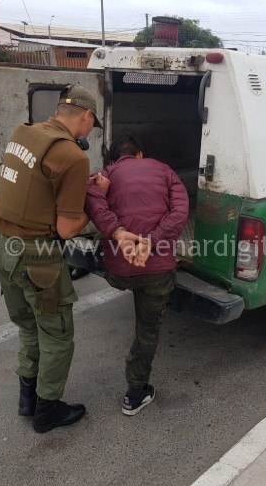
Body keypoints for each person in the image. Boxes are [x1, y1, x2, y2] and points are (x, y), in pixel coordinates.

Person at [0, 85, 102, 433]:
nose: (90, 133)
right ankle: (47, 411)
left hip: (1, 245)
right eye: (91, 125)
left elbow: (35, 187)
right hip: (36, 257)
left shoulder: (24, 133)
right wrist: (95, 201)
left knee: (28, 327)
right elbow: (67, 230)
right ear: (85, 116)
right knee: (57, 335)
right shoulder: (72, 157)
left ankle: (28, 400)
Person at [85, 135, 189, 416]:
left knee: (129, 281)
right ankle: (135, 394)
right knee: (148, 330)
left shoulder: (103, 176)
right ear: (141, 154)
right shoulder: (165, 170)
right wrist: (151, 241)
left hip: (119, 271)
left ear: (116, 159)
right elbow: (180, 212)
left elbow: (91, 201)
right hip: (156, 271)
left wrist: (117, 233)